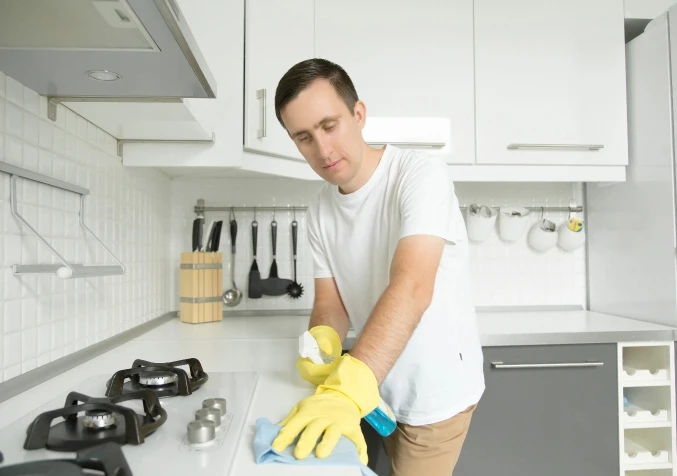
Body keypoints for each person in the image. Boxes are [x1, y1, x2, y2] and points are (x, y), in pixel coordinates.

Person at [270, 58, 485, 476]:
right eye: (304, 137)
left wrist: (347, 388)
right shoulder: (319, 208)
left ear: (358, 114)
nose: (322, 149)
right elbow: (330, 301)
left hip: (432, 398)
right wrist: (321, 343)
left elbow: (412, 285)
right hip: (374, 387)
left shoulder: (419, 174)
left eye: (329, 126)